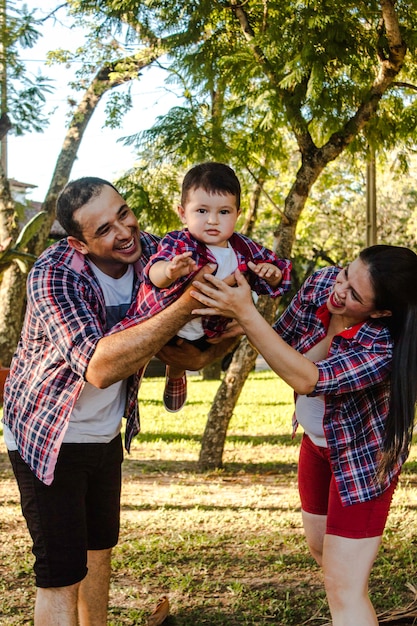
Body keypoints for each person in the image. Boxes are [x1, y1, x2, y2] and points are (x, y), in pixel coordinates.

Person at [1, 176, 239, 626]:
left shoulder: (156, 253)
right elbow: (101, 366)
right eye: (105, 229)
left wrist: (234, 327)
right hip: (47, 431)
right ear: (79, 242)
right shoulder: (55, 273)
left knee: (97, 553)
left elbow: (188, 354)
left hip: (104, 430)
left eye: (124, 213)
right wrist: (187, 306)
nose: (124, 232)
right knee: (60, 575)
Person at [190, 244, 417, 626]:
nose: (340, 289)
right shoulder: (323, 284)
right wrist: (233, 321)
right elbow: (282, 340)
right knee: (323, 555)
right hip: (316, 446)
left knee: (344, 587)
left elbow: (308, 378)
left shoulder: (382, 345)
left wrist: (246, 313)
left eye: (356, 295)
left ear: (381, 312)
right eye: (346, 272)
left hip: (363, 461)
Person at [136, 162, 291, 411]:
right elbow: (153, 272)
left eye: (224, 212)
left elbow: (278, 272)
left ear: (237, 214)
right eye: (201, 211)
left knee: (203, 346)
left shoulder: (243, 247)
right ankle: (161, 379)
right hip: (167, 324)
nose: (212, 221)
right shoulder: (179, 242)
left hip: (212, 328)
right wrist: (169, 271)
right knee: (150, 350)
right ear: (183, 213)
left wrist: (272, 275)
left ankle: (177, 374)